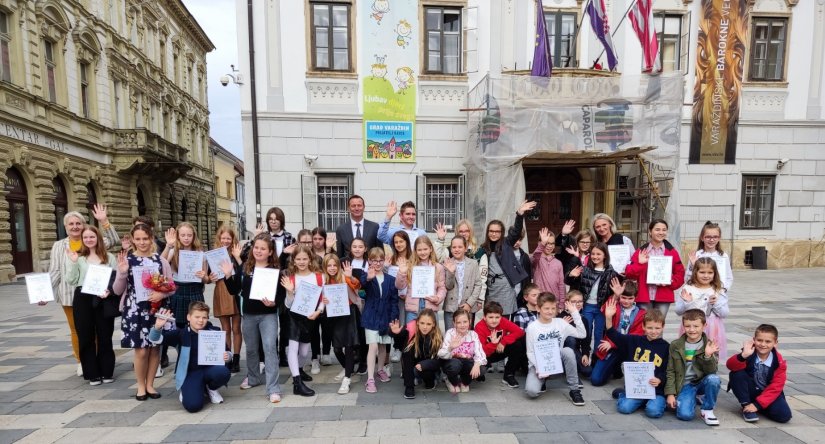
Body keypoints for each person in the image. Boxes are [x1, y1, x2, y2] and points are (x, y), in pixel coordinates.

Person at [48, 206, 118, 376]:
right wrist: (46, 293)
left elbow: (114, 240)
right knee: (78, 330)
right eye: (71, 224)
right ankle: (82, 362)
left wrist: (104, 221)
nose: (75, 226)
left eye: (78, 223)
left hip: (99, 294)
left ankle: (99, 363)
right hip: (70, 293)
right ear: (65, 227)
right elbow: (55, 270)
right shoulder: (59, 246)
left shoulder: (92, 239)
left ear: (84, 225)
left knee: (100, 331)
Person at [113, 224, 174, 400]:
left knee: (155, 348)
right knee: (141, 350)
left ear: (151, 239)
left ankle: (150, 384)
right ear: (132, 240)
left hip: (156, 309)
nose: (142, 242)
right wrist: (122, 273)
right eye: (138, 239)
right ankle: (140, 386)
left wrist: (162, 292)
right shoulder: (128, 260)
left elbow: (171, 286)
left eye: (145, 238)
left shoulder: (160, 261)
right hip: (135, 310)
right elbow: (117, 291)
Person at [222, 233, 283, 403]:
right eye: (256, 247)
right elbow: (234, 290)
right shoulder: (246, 268)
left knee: (270, 348)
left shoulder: (275, 270)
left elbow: (281, 295)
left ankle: (273, 388)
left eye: (263, 248)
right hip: (248, 314)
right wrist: (228, 275)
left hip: (268, 315)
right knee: (251, 349)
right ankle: (254, 377)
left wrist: (274, 303)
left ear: (270, 252)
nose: (258, 251)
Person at [148, 303, 231, 413]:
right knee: (193, 406)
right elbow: (155, 339)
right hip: (190, 373)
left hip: (210, 370)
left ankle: (211, 388)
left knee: (223, 372)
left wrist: (227, 357)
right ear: (188, 317)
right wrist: (157, 327)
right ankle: (188, 389)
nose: (200, 320)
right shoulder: (181, 334)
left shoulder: (214, 332)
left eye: (204, 317)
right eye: (197, 317)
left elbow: (228, 352)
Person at [65, 225, 118, 385]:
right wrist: (73, 263)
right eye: (85, 237)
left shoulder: (109, 257)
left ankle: (106, 371)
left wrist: (109, 290)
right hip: (83, 297)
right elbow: (71, 280)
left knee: (105, 335)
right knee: (85, 335)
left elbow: (116, 278)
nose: (89, 240)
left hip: (103, 298)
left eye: (92, 237)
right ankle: (92, 373)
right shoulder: (79, 258)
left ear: (98, 238)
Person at [605, 303, 670, 419]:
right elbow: (613, 335)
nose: (653, 331)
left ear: (663, 327)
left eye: (657, 328)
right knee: (624, 408)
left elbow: (668, 370)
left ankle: (653, 403)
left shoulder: (666, 347)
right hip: (636, 388)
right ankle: (623, 395)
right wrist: (608, 317)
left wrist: (660, 379)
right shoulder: (634, 340)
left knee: (653, 412)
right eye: (650, 328)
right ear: (643, 327)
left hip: (655, 390)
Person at [524, 293, 586, 404]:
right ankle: (542, 381)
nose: (550, 311)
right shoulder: (532, 327)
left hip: (557, 364)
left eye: (553, 308)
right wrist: (539, 368)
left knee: (568, 351)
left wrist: (575, 313)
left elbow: (582, 334)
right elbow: (530, 352)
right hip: (539, 365)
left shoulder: (561, 323)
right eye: (546, 308)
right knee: (532, 392)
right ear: (538, 308)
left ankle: (574, 390)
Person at [479, 200, 537, 319]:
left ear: (502, 233)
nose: (494, 234)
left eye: (497, 232)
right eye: (491, 231)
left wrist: (520, 214)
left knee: (505, 320)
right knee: (491, 319)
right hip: (491, 289)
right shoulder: (483, 248)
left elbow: (516, 231)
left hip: (506, 289)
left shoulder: (506, 243)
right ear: (487, 232)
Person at [664, 309, 722, 425]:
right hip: (685, 385)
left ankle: (707, 409)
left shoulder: (710, 344)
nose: (691, 330)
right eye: (688, 326)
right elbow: (670, 370)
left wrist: (707, 355)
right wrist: (670, 393)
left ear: (704, 325)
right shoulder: (675, 345)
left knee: (714, 379)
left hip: (701, 382)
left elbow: (712, 371)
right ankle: (693, 398)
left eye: (696, 326)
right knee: (685, 415)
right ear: (683, 326)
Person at [280, 245, 324, 396]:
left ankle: (298, 369)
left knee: (304, 352)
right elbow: (288, 304)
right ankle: (297, 382)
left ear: (310, 259)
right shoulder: (290, 277)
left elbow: (324, 299)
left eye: (305, 259)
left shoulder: (318, 276)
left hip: (309, 317)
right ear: (293, 260)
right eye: (298, 259)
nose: (302, 262)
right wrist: (289, 291)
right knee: (293, 348)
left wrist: (318, 311)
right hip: (293, 316)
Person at [727, 324, 792, 423]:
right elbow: (730, 365)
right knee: (736, 373)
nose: (763, 344)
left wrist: (758, 405)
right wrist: (743, 355)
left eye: (768, 341)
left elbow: (776, 386)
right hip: (750, 391)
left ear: (775, 343)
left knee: (784, 416)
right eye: (759, 340)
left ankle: (758, 406)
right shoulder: (748, 353)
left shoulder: (779, 362)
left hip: (767, 392)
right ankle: (746, 406)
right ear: (754, 340)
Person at [359, 247, 402, 393]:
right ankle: (370, 379)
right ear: (369, 261)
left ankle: (380, 369)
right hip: (371, 317)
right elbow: (362, 287)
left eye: (380, 260)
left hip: (385, 317)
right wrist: (369, 278)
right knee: (373, 347)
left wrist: (393, 318)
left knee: (383, 346)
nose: (377, 263)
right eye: (374, 260)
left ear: (384, 261)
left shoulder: (390, 279)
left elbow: (394, 301)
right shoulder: (367, 276)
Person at [565, 242, 619, 355]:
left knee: (599, 333)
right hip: (587, 306)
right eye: (593, 254)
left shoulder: (611, 272)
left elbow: (614, 291)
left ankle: (597, 355)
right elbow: (570, 282)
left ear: (605, 255)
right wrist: (570, 275)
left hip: (601, 307)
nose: (595, 256)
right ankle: (585, 354)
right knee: (586, 331)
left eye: (598, 254)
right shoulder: (585, 270)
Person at [590, 279, 645, 386]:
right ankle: (614, 367)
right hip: (612, 348)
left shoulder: (641, 313)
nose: (626, 301)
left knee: (635, 383)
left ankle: (617, 367)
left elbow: (636, 335)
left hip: (629, 348)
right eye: (623, 297)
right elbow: (605, 309)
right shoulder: (616, 306)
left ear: (635, 298)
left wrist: (612, 343)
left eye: (630, 298)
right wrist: (615, 295)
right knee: (596, 380)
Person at [625, 219, 686, 316]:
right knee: (644, 327)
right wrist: (640, 264)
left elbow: (680, 274)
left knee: (658, 327)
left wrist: (670, 281)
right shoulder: (640, 252)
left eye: (664, 230)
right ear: (650, 231)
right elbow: (629, 273)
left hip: (664, 295)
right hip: (644, 295)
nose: (661, 232)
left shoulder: (672, 252)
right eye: (657, 229)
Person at [321, 254, 362, 394]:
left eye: (334, 265)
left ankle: (347, 378)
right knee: (337, 348)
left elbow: (357, 285)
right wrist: (324, 302)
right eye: (329, 265)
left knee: (349, 346)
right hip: (333, 316)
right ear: (325, 267)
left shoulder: (344, 277)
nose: (332, 268)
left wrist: (350, 276)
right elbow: (320, 297)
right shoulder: (324, 280)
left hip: (348, 313)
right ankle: (347, 367)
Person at [675, 257, 729, 360]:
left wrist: (716, 303)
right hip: (692, 326)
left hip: (711, 327)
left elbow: (724, 313)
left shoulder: (718, 290)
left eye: (710, 272)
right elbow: (678, 311)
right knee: (690, 355)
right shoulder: (687, 288)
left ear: (715, 273)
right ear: (695, 272)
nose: (706, 276)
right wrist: (688, 303)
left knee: (711, 355)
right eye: (702, 272)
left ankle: (710, 373)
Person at [162, 223, 208, 334]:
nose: (186, 238)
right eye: (183, 235)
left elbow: (206, 279)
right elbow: (160, 263)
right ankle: (182, 350)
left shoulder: (200, 254)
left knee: (197, 325)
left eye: (189, 235)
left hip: (195, 290)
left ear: (194, 236)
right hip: (178, 290)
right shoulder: (173, 251)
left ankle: (195, 350)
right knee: (179, 326)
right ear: (178, 236)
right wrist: (168, 246)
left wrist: (203, 277)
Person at [389, 309, 443, 399]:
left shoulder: (437, 336)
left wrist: (425, 364)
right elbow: (399, 344)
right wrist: (395, 333)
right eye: (422, 323)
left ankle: (429, 380)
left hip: (428, 365)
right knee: (407, 352)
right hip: (413, 363)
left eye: (428, 324)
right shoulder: (410, 329)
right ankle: (409, 386)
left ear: (433, 324)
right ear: (417, 322)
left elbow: (439, 360)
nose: (425, 327)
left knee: (429, 383)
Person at [435, 219, 488, 311]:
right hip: (453, 300)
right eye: (461, 231)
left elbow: (481, 279)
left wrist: (480, 299)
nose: (464, 233)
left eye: (467, 231)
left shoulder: (479, 252)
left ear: (471, 232)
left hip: (471, 300)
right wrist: (440, 239)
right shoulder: (451, 250)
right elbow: (438, 258)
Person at [211, 226, 242, 373]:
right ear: (219, 238)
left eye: (228, 238)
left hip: (234, 290)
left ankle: (236, 358)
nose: (225, 241)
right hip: (220, 290)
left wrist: (237, 256)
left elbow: (243, 270)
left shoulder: (236, 252)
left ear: (232, 239)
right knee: (226, 329)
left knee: (236, 328)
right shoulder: (213, 254)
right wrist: (209, 277)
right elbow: (208, 275)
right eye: (223, 238)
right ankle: (227, 357)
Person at [474, 301, 525, 388]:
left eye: (497, 317)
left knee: (517, 344)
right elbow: (481, 351)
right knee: (478, 373)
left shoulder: (503, 321)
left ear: (501, 317)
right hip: (485, 354)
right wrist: (493, 344)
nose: (494, 320)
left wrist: (503, 341)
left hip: (500, 349)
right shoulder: (479, 327)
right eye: (491, 317)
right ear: (485, 317)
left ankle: (509, 375)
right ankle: (483, 370)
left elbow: (520, 332)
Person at [395, 237, 446, 323]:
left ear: (430, 249)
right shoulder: (409, 266)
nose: (423, 252)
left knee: (431, 335)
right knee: (412, 335)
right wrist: (402, 272)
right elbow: (399, 286)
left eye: (425, 249)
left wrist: (438, 298)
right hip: (413, 309)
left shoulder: (438, 267)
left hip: (431, 307)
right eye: (419, 250)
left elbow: (442, 288)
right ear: (415, 251)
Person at [439, 309, 487, 394]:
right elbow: (441, 354)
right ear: (454, 323)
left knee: (481, 368)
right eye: (459, 322)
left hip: (466, 364)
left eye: (465, 322)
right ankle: (451, 380)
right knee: (455, 364)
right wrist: (450, 348)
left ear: (470, 321)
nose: (462, 325)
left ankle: (464, 381)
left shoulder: (473, 334)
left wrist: (477, 364)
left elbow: (481, 353)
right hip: (453, 363)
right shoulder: (450, 333)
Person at [443, 236, 483, 330]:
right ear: (451, 249)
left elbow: (478, 284)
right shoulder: (447, 263)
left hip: (467, 307)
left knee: (466, 337)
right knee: (450, 336)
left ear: (465, 248)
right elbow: (448, 286)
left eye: (460, 247)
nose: (457, 250)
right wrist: (451, 273)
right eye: (454, 247)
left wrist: (469, 303)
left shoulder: (473, 264)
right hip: (451, 306)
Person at [685, 221, 733, 293]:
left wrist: (724, 290)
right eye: (708, 237)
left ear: (719, 238)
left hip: (719, 295)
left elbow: (729, 277)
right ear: (702, 238)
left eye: (715, 237)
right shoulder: (696, 255)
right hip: (700, 294)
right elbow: (687, 279)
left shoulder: (723, 256)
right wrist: (693, 266)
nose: (711, 240)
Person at [558, 290, 592, 382]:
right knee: (571, 339)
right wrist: (562, 325)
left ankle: (572, 367)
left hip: (575, 350)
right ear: (567, 303)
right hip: (562, 350)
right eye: (573, 302)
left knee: (588, 371)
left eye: (580, 301)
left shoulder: (583, 319)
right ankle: (572, 373)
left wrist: (585, 354)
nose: (577, 304)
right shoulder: (561, 316)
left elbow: (586, 339)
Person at [335, 195, 383, 259]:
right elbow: (340, 254)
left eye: (359, 205)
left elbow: (380, 251)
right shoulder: (341, 229)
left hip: (370, 267)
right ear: (348, 208)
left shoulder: (375, 227)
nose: (357, 208)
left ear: (364, 207)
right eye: (353, 206)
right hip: (349, 267)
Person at [531, 227, 566, 308]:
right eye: (547, 243)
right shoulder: (537, 259)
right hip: (540, 302)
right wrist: (542, 244)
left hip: (554, 302)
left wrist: (561, 304)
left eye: (552, 243)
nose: (549, 246)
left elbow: (561, 284)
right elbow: (534, 257)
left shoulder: (558, 263)